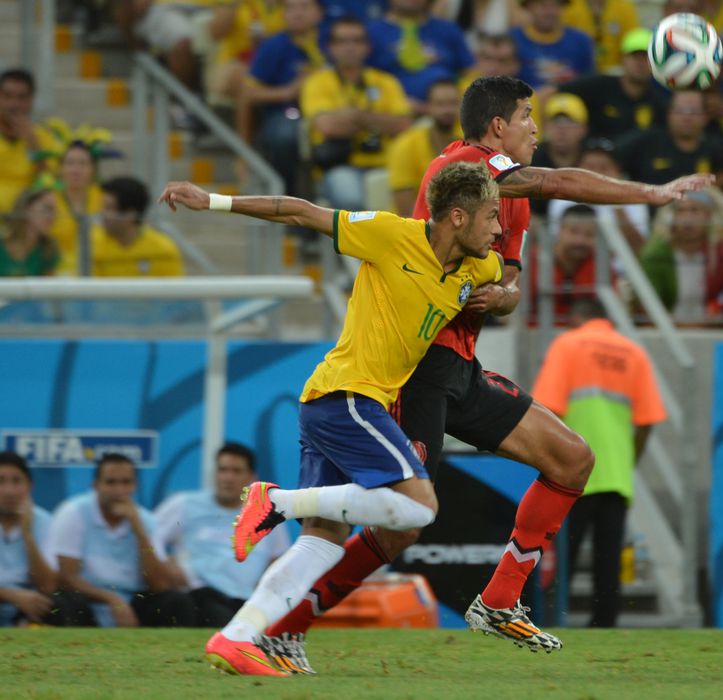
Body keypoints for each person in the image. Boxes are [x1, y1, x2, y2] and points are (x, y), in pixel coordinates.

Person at [256, 76, 712, 670]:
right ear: (497, 127)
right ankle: (282, 626)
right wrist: (649, 195)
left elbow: (511, 283)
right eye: (527, 116)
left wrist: (503, 297)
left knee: (572, 459)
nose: (536, 128)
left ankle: (498, 602)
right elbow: (553, 181)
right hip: (418, 368)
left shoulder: (508, 201)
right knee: (400, 526)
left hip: (462, 366)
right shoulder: (466, 164)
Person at [160, 160, 505, 676]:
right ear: (458, 217)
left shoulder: (480, 266)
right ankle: (275, 500)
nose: (499, 229)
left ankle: (234, 638)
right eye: (492, 217)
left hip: (335, 407)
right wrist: (213, 201)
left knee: (321, 543)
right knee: (420, 506)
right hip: (347, 397)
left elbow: (509, 289)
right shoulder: (390, 236)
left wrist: (502, 296)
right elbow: (300, 212)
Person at [531, 295, 666, 628]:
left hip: (572, 472)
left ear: (578, 316)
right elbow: (648, 421)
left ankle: (547, 623)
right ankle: (604, 627)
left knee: (562, 557)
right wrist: (628, 460)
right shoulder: (632, 352)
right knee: (608, 564)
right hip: (617, 473)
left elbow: (547, 410)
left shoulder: (568, 345)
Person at [46, 453, 195, 628]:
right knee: (64, 601)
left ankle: (169, 654)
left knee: (176, 601)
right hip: (88, 600)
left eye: (126, 482)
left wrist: (139, 529)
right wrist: (112, 599)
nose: (119, 490)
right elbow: (67, 578)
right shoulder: (74, 513)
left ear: (135, 486)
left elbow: (159, 584)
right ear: (95, 485)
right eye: (111, 482)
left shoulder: (146, 520)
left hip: (133, 602)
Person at [153, 443, 291, 627]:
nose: (228, 478)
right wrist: (165, 564)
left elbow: (279, 560)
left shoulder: (268, 515)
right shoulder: (184, 504)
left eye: (236, 471)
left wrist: (264, 593)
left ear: (252, 478)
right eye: (223, 470)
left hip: (245, 602)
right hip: (197, 595)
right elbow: (150, 537)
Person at [300, 17, 411, 211]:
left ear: (367, 47)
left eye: (356, 41)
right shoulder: (317, 82)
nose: (349, 47)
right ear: (330, 48)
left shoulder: (386, 81)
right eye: (342, 41)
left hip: (386, 165)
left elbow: (403, 125)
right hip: (340, 167)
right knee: (351, 200)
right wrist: (377, 120)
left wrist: (357, 117)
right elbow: (327, 126)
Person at [239, 0, 327, 196]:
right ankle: (288, 195)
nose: (297, 13)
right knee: (286, 135)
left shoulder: (333, 41)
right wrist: (288, 91)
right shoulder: (273, 45)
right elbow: (248, 94)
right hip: (286, 112)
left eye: (304, 7)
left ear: (320, 13)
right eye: (290, 8)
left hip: (328, 111)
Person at [639, 188, 723, 325]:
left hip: (714, 331)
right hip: (664, 330)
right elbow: (646, 310)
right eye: (681, 211)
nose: (688, 218)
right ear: (671, 217)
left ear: (710, 216)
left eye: (695, 210)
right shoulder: (655, 254)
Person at [547, 138, 651, 254]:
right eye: (590, 167)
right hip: (579, 269)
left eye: (604, 168)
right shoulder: (561, 198)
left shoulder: (635, 199)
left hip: (622, 270)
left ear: (618, 171)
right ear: (577, 169)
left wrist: (617, 204)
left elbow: (640, 248)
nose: (595, 174)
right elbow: (556, 248)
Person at [561, 29, 667, 141]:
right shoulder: (597, 86)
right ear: (622, 59)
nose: (640, 63)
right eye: (635, 57)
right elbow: (552, 92)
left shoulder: (658, 103)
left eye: (647, 58)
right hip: (593, 155)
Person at [365, 0, 475, 102]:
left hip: (448, 111)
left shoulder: (448, 29)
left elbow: (470, 72)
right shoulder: (371, 33)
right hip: (393, 109)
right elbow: (362, 79)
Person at [616, 91, 723, 187]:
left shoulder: (715, 149)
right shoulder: (646, 142)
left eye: (693, 111)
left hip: (696, 210)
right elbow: (610, 160)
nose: (686, 117)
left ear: (705, 117)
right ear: (668, 114)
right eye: (680, 110)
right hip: (651, 209)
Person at [43, 126, 112, 275]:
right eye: (70, 163)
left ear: (93, 169)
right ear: (59, 169)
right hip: (56, 273)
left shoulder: (105, 197)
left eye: (82, 164)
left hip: (100, 271)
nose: (76, 170)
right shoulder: (48, 200)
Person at [387, 79, 462, 215]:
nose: (448, 110)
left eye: (453, 103)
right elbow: (406, 210)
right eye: (440, 104)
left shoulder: (470, 142)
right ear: (428, 107)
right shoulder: (405, 145)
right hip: (414, 227)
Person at [0, 452, 56, 627]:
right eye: (1, 481)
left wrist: (27, 534)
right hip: (10, 597)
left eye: (16, 481)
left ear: (29, 485)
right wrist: (12, 595)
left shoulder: (45, 521)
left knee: (62, 604)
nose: (9, 491)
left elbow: (48, 586)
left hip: (29, 609)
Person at [92, 177, 184, 277]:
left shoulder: (163, 251)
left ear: (130, 214)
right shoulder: (91, 245)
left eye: (108, 208)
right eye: (102, 207)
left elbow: (173, 291)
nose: (102, 214)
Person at [511, 0, 595, 89]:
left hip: (570, 100)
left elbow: (590, 83)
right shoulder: (512, 40)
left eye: (556, 5)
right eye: (543, 5)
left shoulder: (581, 41)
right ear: (529, 7)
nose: (550, 12)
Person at [0, 69, 50, 214]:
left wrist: (32, 143)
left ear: (31, 101)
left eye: (21, 98)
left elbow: (48, 183)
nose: (13, 104)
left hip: (26, 221)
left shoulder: (43, 138)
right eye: (7, 96)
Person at [562, 0, 639, 73]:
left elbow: (633, 42)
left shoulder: (624, 8)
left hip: (615, 71)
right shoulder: (570, 6)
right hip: (579, 71)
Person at [0, 187, 60, 277]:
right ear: (26, 209)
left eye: (54, 211)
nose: (52, 216)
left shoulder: (48, 250)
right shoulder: (2, 242)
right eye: (47, 209)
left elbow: (47, 289)